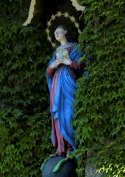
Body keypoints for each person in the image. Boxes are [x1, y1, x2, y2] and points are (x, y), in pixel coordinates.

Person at [46, 24, 84, 156]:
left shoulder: (75, 47)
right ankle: (61, 148)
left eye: (58, 31)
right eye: (55, 33)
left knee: (68, 114)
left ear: (65, 32)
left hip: (69, 81)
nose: (56, 34)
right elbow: (49, 72)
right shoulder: (55, 52)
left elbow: (82, 65)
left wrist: (70, 63)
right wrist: (53, 65)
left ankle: (72, 145)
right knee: (58, 115)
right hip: (57, 83)